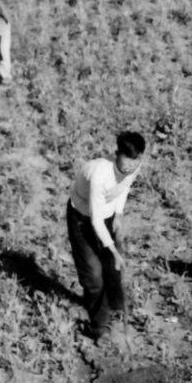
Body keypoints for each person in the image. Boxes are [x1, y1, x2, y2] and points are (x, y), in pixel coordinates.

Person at [67, 131, 147, 341]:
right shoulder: (99, 175)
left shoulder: (134, 167)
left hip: (108, 213)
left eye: (135, 160)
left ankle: (116, 308)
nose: (130, 165)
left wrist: (119, 213)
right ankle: (98, 327)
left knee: (112, 268)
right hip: (83, 216)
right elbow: (95, 221)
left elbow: (124, 187)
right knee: (93, 274)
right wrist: (113, 249)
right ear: (116, 153)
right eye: (126, 159)